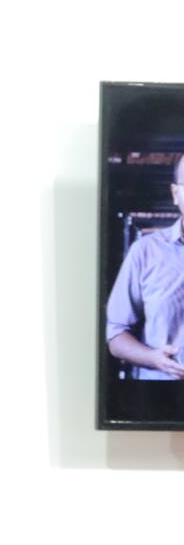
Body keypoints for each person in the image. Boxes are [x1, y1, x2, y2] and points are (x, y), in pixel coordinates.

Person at [106, 155, 184, 379]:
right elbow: (116, 334)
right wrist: (153, 359)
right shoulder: (145, 252)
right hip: (161, 398)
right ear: (175, 193)